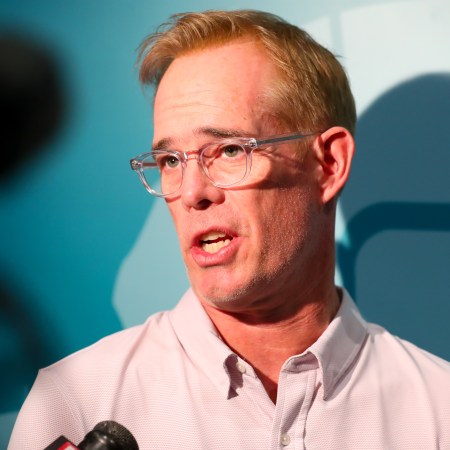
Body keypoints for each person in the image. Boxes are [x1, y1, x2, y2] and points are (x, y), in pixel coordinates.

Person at [8, 10, 450, 450]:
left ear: (329, 164)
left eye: (229, 150)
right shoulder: (77, 401)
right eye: (170, 161)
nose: (191, 193)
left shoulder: (438, 411)